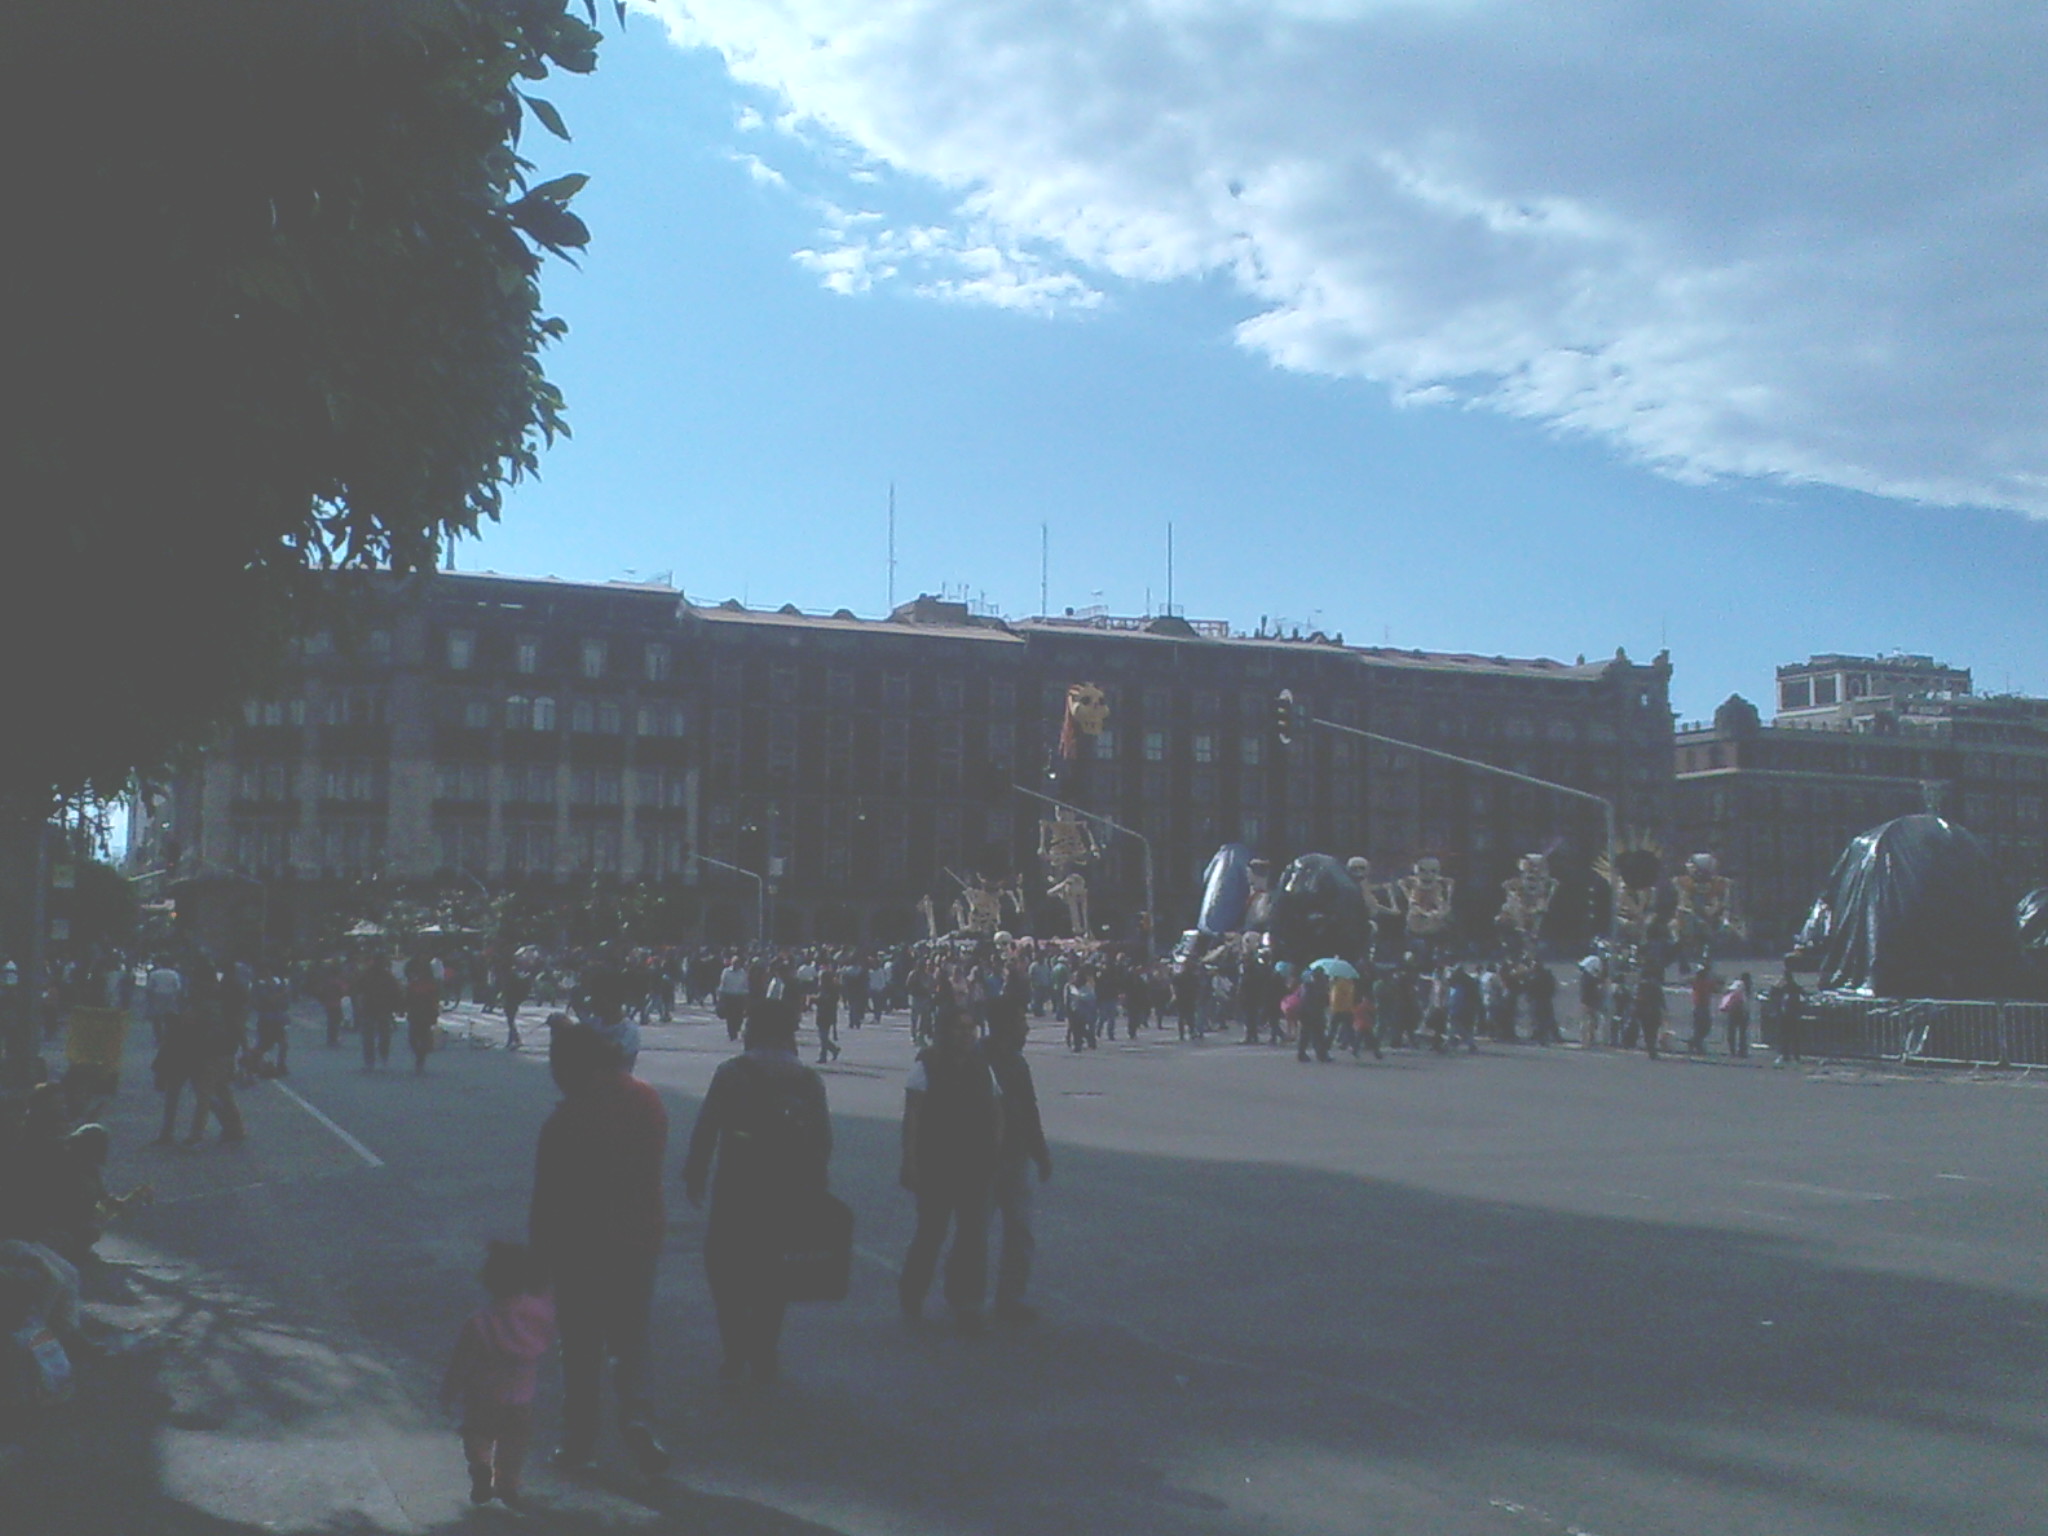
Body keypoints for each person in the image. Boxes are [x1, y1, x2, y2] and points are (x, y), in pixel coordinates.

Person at [528, 1022, 670, 1475]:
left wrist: (539, 1257)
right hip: (639, 1237)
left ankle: (579, 1440)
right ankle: (638, 1417)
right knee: (632, 1337)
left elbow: (547, 1198)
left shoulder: (566, 1120)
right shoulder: (646, 1100)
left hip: (580, 1246)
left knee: (581, 1345)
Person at [682, 1005, 830, 1388]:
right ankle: (765, 1348)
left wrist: (695, 1172)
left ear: (755, 1032)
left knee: (725, 1266)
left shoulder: (731, 1073)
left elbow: (708, 1126)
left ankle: (735, 1348)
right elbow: (822, 1140)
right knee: (774, 1270)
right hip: (787, 1187)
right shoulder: (808, 1079)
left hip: (737, 1183)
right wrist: (816, 1188)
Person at [898, 999, 1003, 1334]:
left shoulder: (981, 1066)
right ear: (945, 1031)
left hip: (975, 1164)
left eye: (971, 1028)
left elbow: (996, 1109)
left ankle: (967, 1300)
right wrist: (910, 1161)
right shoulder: (927, 1065)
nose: (966, 1034)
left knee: (973, 1237)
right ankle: (913, 1292)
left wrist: (995, 1150)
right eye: (959, 1028)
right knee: (931, 1233)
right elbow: (913, 1116)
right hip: (937, 1163)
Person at [441, 1240, 556, 1511]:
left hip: (484, 1396)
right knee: (514, 1443)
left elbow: (461, 1363)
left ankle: (481, 1466)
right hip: (522, 1398)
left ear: (489, 1281)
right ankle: (508, 1484)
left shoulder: (480, 1322)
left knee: (477, 1434)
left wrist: (448, 1391)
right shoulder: (538, 1314)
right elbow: (548, 1297)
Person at [983, 1007, 1051, 1324]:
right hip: (981, 1158)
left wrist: (1039, 1151)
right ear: (1005, 1027)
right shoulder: (978, 1059)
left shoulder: (1017, 1062)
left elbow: (1028, 1108)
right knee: (975, 1231)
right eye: (1021, 1022)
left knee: (1020, 1231)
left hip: (1015, 1154)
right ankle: (966, 1296)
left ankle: (1010, 1299)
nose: (1026, 1029)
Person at [355, 954, 400, 1069]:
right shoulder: (387, 976)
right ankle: (382, 1057)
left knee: (369, 1037)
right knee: (383, 1036)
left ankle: (370, 1061)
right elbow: (396, 992)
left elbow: (357, 990)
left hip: (369, 1008)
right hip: (382, 1009)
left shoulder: (366, 974)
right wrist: (396, 1007)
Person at [1766, 965, 1806, 1067]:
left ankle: (1789, 1055)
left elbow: (1773, 994)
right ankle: (1791, 1055)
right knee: (1790, 1036)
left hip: (1788, 1015)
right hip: (1788, 1015)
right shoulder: (1792, 987)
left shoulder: (1787, 988)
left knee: (1788, 1036)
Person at [716, 956, 750, 1044]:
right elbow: (723, 984)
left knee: (739, 1016)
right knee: (730, 1016)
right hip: (729, 996)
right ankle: (731, 1032)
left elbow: (745, 985)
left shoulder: (743, 973)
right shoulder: (726, 972)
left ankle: (736, 1028)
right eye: (734, 963)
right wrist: (720, 996)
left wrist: (746, 997)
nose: (736, 965)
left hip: (739, 996)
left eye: (737, 963)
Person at [1721, 972, 1753, 1058]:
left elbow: (1728, 991)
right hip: (1743, 1011)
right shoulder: (1746, 986)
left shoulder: (1738, 984)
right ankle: (1742, 1051)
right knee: (1742, 1033)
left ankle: (1732, 1050)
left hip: (1734, 1010)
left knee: (1732, 1031)